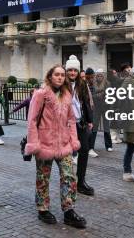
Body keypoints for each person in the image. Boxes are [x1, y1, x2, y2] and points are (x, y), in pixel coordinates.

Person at [25, 64, 87, 229]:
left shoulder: (67, 94)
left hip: (64, 144)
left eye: (62, 75)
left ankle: (69, 211)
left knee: (69, 176)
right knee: (43, 178)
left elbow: (71, 120)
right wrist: (34, 144)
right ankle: (42, 208)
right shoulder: (40, 94)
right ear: (50, 76)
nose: (60, 77)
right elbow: (32, 120)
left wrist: (74, 140)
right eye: (56, 74)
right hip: (44, 144)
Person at [65, 55, 94, 196]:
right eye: (70, 70)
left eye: (74, 70)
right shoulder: (62, 84)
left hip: (80, 122)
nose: (72, 73)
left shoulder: (82, 84)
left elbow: (86, 102)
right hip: (66, 125)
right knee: (67, 154)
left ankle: (81, 181)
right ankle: (69, 181)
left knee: (84, 150)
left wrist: (89, 120)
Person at [88, 69, 113, 155]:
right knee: (94, 127)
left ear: (103, 76)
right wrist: (101, 94)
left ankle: (109, 145)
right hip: (96, 108)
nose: (99, 77)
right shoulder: (92, 84)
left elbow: (110, 94)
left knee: (106, 126)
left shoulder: (107, 83)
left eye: (101, 75)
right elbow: (91, 96)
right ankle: (91, 146)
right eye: (98, 75)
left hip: (105, 107)